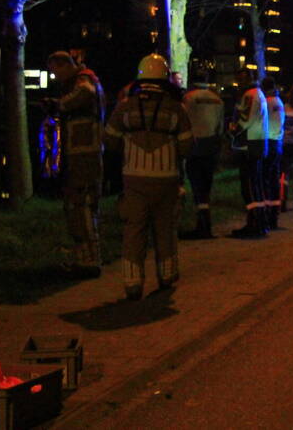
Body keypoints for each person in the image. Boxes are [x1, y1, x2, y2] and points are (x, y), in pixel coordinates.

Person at [103, 54, 194, 300]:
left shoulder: (125, 106)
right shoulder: (177, 108)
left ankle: (133, 283)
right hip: (167, 179)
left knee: (134, 231)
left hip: (133, 179)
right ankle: (166, 276)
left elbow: (109, 140)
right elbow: (187, 147)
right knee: (165, 229)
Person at [45, 51, 106, 278]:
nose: (56, 77)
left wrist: (58, 105)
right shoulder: (86, 79)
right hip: (83, 154)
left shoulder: (84, 80)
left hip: (84, 155)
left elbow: (84, 94)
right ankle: (86, 258)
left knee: (82, 206)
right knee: (82, 206)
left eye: (55, 71)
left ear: (64, 66)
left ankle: (89, 261)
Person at [180, 71, 225, 240]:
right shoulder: (217, 99)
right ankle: (206, 224)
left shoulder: (188, 98)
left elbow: (182, 120)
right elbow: (220, 126)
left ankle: (202, 225)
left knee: (197, 185)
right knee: (206, 185)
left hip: (194, 144)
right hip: (211, 144)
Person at [229, 68, 270, 238]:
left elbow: (245, 119)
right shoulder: (257, 93)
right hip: (257, 143)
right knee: (255, 184)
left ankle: (254, 224)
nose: (239, 83)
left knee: (249, 186)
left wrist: (233, 130)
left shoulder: (250, 94)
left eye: (241, 79)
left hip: (249, 145)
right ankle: (260, 222)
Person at [262, 77, 285, 229]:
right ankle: (274, 216)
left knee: (265, 180)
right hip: (277, 142)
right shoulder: (278, 102)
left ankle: (267, 216)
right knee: (274, 179)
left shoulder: (267, 102)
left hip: (268, 142)